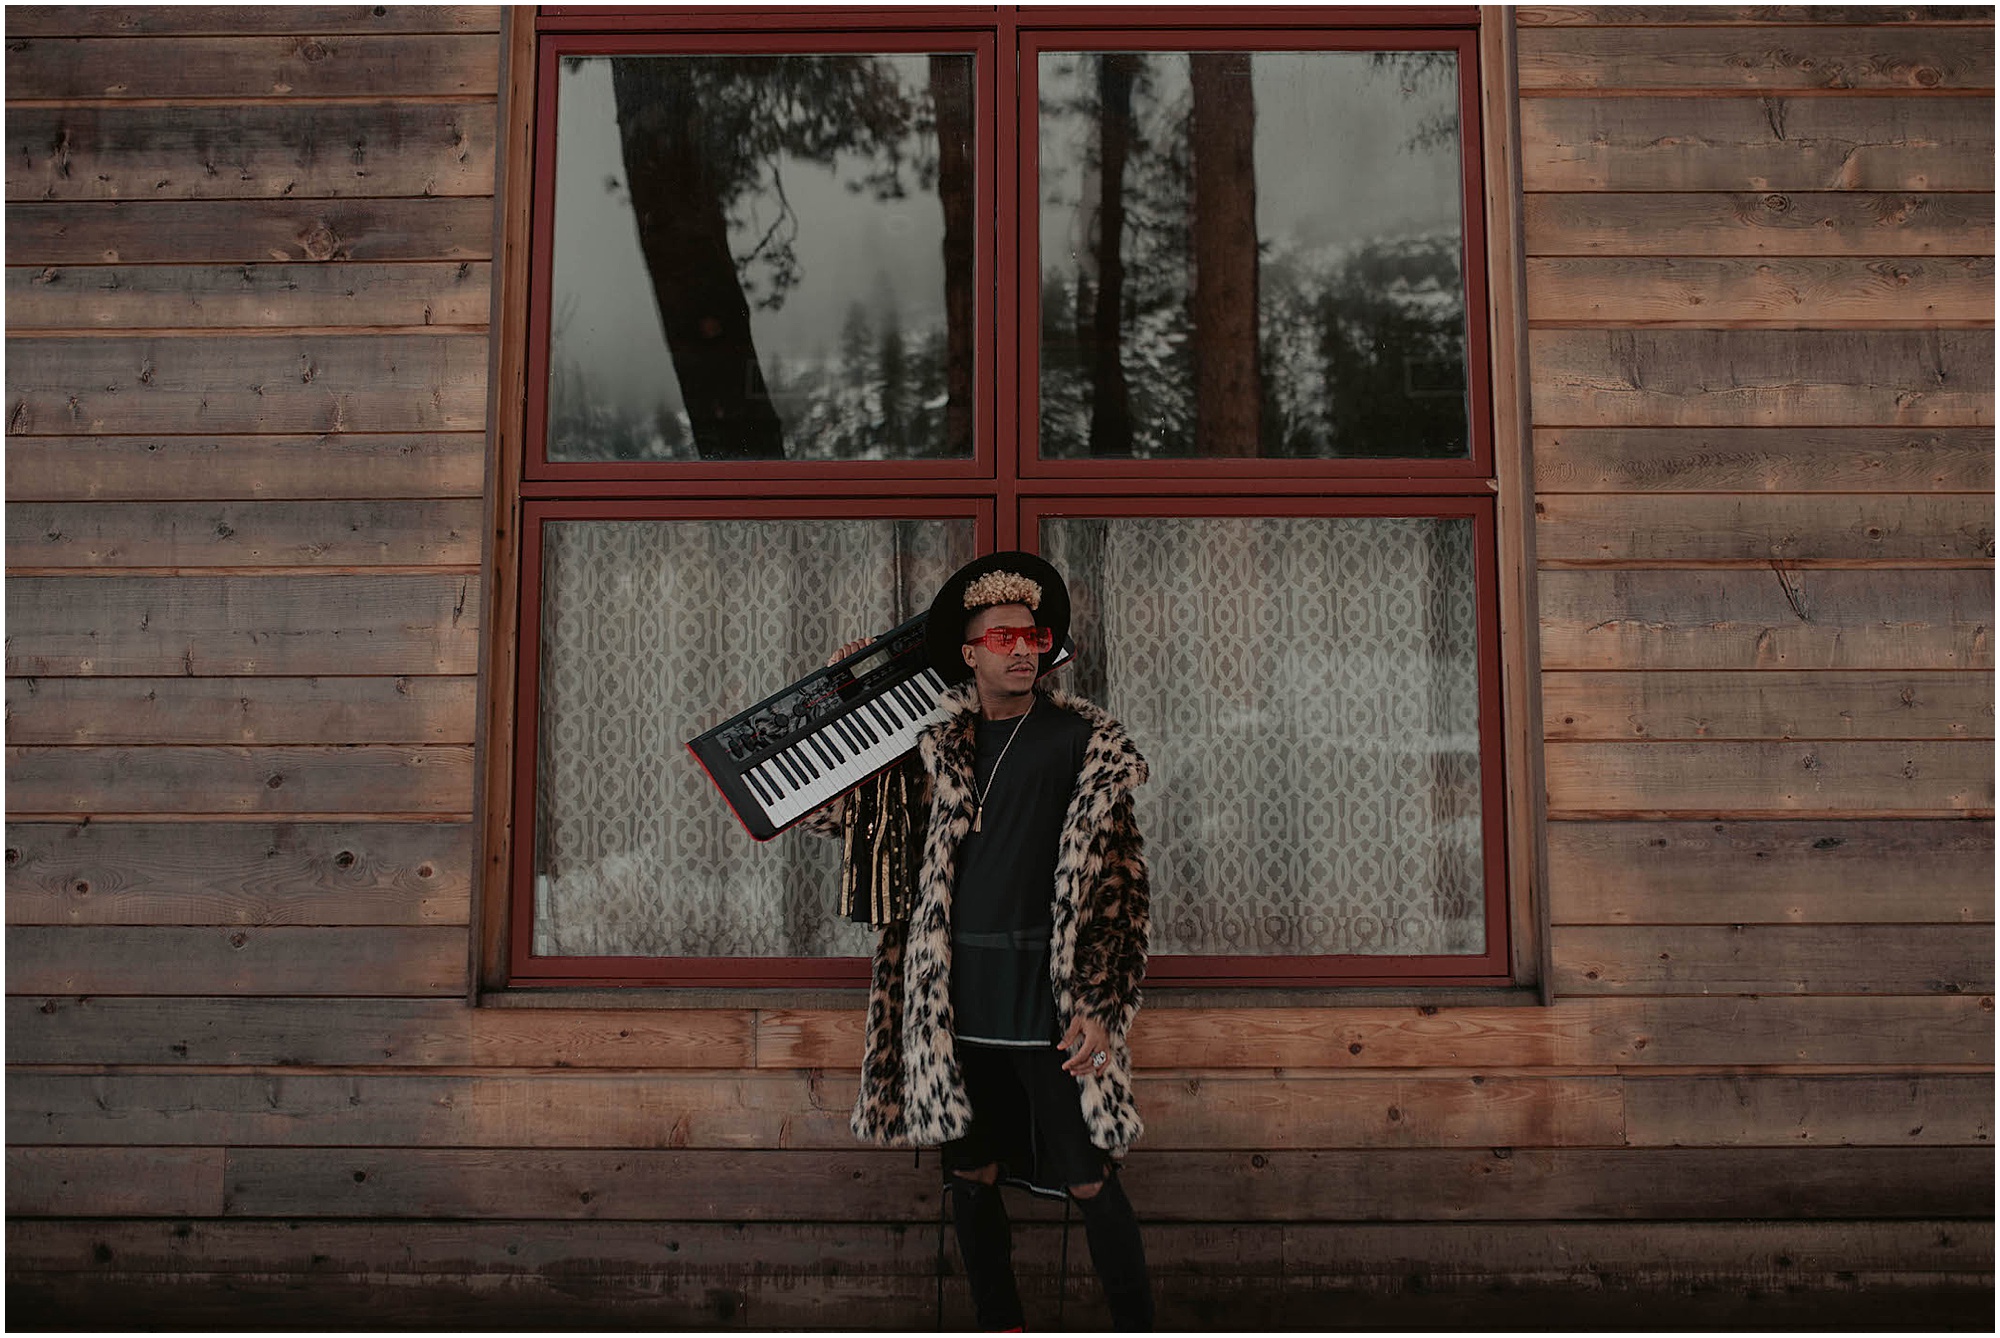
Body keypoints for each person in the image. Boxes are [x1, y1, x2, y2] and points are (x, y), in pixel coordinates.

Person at [808, 551, 1155, 1331]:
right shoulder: (935, 748)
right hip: (952, 1000)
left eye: (1033, 636)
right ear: (971, 653)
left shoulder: (1081, 743)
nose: (1022, 649)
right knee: (971, 1170)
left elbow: (1122, 891)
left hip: (1047, 997)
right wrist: (844, 700)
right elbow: (839, 814)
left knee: (1089, 1173)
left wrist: (1101, 1005)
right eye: (1003, 638)